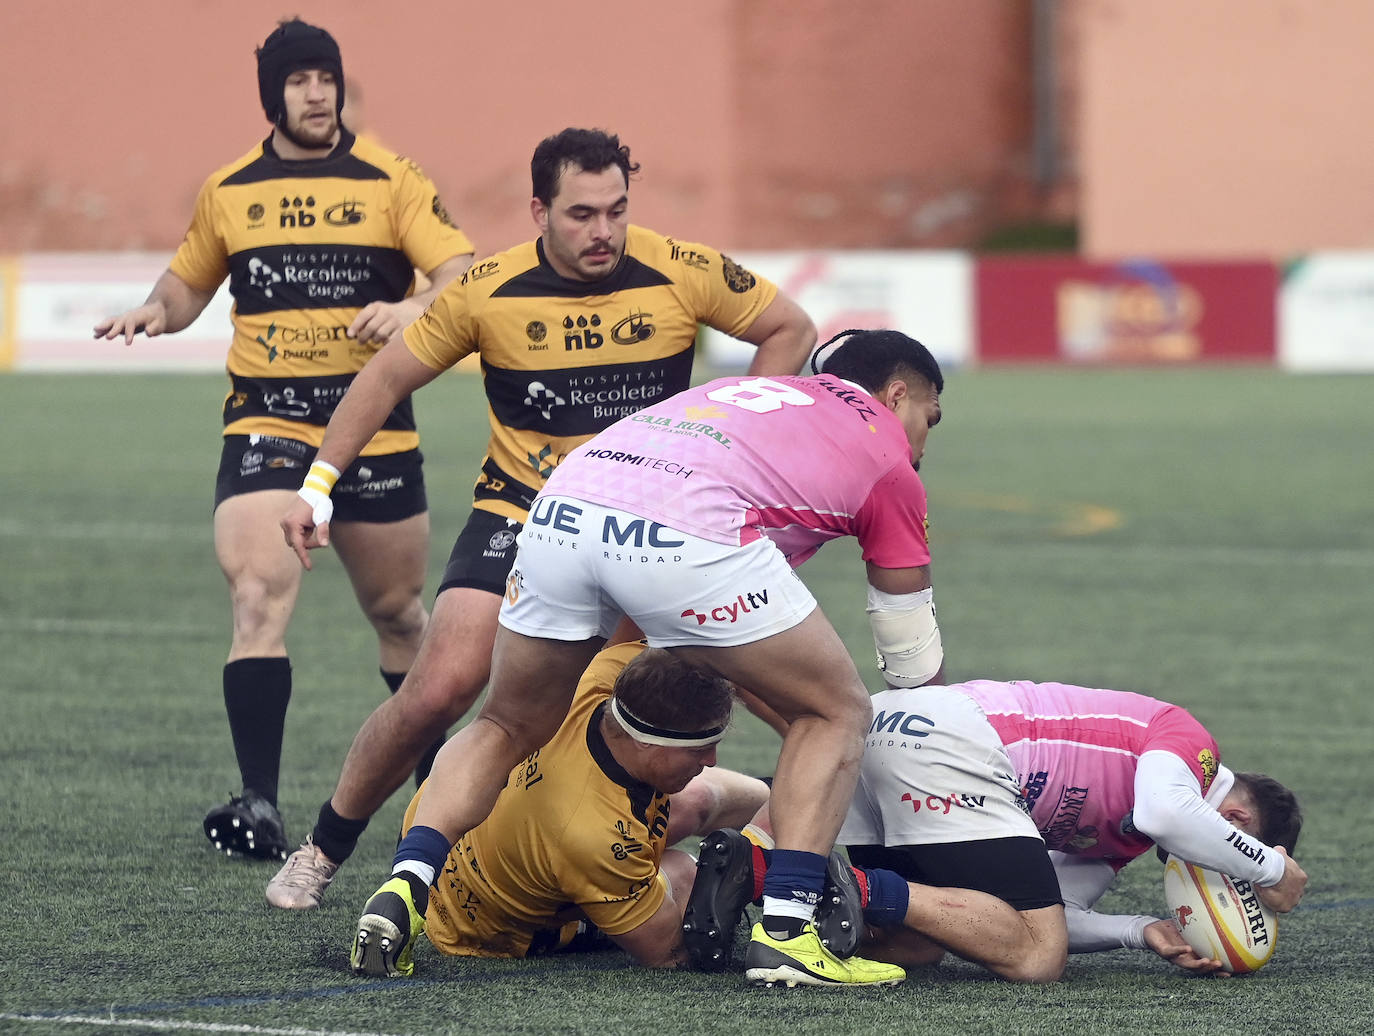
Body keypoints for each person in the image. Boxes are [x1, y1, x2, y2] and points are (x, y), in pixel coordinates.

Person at [267, 127, 816, 908]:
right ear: (538, 211)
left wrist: (726, 447)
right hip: (519, 514)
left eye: (616, 211)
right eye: (581, 214)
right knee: (439, 688)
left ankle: (822, 858)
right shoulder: (487, 288)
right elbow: (386, 375)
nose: (604, 232)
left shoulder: (679, 269)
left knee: (789, 696)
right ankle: (323, 848)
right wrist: (317, 486)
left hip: (648, 523)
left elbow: (789, 327)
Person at [346, 327, 948, 989]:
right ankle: (789, 933)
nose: (923, 441)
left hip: (566, 502)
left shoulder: (754, 391)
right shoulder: (888, 456)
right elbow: (912, 662)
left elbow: (666, 618)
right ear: (897, 396)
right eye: (929, 418)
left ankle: (407, 881)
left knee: (506, 724)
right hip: (682, 528)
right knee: (838, 712)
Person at [92, 18, 475, 860]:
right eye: (299, 81)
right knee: (257, 600)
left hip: (372, 428)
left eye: (325, 79)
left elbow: (460, 276)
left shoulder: (393, 179)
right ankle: (259, 802)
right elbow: (188, 280)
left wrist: (415, 309)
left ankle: (442, 799)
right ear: (273, 94)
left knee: (400, 615)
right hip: (267, 421)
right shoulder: (230, 188)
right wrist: (158, 310)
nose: (316, 93)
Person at [690, 678, 1307, 982]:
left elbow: (1059, 909)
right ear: (1236, 823)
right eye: (1232, 861)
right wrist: (1271, 872)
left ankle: (761, 876)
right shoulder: (1190, 748)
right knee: (1037, 959)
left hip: (891, 729)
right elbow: (1170, 814)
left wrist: (1140, 931)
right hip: (960, 744)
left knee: (919, 943)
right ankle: (858, 886)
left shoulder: (1131, 834)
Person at [367, 640, 771, 974]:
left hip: (449, 828)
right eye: (699, 748)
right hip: (484, 928)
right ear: (648, 741)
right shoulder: (594, 837)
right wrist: (745, 877)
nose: (713, 759)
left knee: (699, 797)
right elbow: (669, 953)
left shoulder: (600, 675)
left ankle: (783, 806)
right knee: (685, 875)